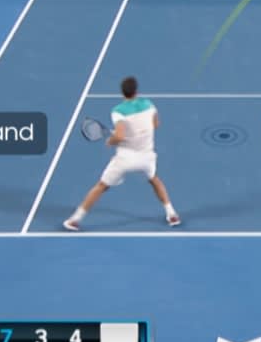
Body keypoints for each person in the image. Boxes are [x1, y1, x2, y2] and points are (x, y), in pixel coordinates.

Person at [64, 76, 180, 231]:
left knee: (101, 186)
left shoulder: (118, 111)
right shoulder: (149, 104)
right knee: (154, 180)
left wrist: (110, 141)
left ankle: (75, 220)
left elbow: (119, 136)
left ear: (122, 93)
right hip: (146, 156)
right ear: (136, 91)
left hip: (125, 159)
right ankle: (171, 214)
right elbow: (156, 124)